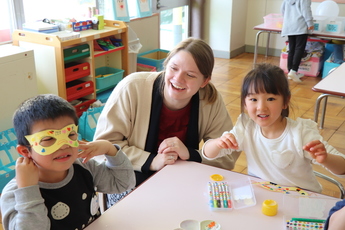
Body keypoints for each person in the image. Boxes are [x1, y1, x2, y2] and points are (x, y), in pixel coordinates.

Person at [94, 37, 241, 206]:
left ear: (204, 81)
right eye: (174, 68)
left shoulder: (210, 100)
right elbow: (103, 146)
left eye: (190, 75)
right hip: (130, 178)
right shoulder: (132, 87)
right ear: (166, 64)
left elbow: (228, 155)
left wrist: (192, 155)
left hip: (181, 180)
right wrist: (151, 161)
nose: (178, 79)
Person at [202, 63, 345, 193]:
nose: (261, 107)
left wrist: (325, 159)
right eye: (253, 99)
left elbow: (342, 167)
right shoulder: (246, 128)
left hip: (302, 199)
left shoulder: (301, 133)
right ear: (245, 104)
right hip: (263, 195)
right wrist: (218, 143)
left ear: (285, 102)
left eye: (270, 99)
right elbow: (208, 154)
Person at [0, 94, 135, 230]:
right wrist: (28, 190)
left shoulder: (85, 166)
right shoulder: (14, 194)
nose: (64, 146)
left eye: (70, 134)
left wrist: (110, 149)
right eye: (48, 139)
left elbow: (123, 183)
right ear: (25, 151)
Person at [281, 0, 314, 82]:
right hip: (300, 26)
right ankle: (293, 71)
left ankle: (290, 72)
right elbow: (306, 10)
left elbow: (282, 10)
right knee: (299, 49)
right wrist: (310, 23)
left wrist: (288, 19)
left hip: (289, 26)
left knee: (291, 49)